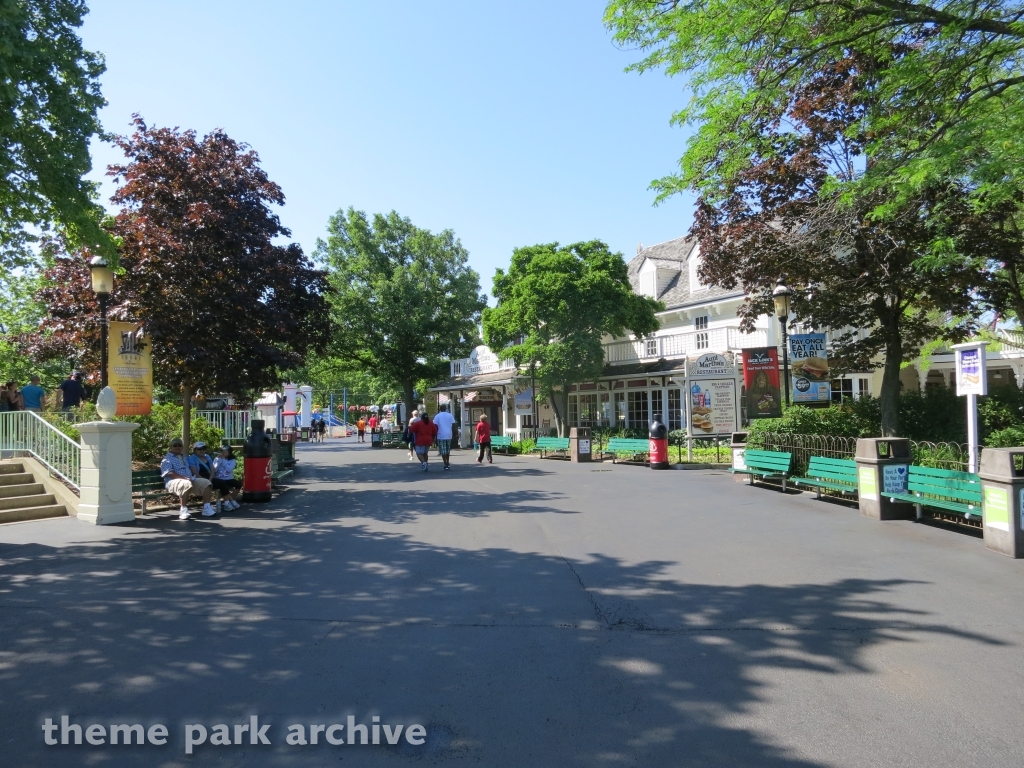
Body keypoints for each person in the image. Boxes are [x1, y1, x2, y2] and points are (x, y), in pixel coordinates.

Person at [160, 438, 216, 519]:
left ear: (182, 447)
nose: (177, 447)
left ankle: (207, 508)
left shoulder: (185, 457)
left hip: (190, 479)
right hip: (172, 482)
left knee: (206, 482)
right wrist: (184, 478)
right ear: (170, 447)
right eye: (175, 445)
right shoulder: (166, 459)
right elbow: (170, 473)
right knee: (186, 483)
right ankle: (183, 510)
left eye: (179, 445)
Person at [211, 445, 242, 510]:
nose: (223, 453)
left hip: (229, 478)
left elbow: (229, 469)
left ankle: (231, 499)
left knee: (238, 484)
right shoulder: (217, 459)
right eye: (222, 451)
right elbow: (215, 469)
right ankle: (230, 501)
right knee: (223, 484)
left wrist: (223, 460)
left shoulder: (232, 460)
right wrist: (219, 460)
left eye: (225, 452)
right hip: (219, 478)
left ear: (229, 453)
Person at [433, 404, 456, 471]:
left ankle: (445, 463)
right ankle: (448, 462)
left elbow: (435, 426)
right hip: (449, 434)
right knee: (447, 450)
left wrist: (434, 435)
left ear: (440, 409)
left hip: (441, 435)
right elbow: (454, 425)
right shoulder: (450, 415)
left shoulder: (437, 416)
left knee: (443, 450)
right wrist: (455, 433)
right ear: (446, 408)